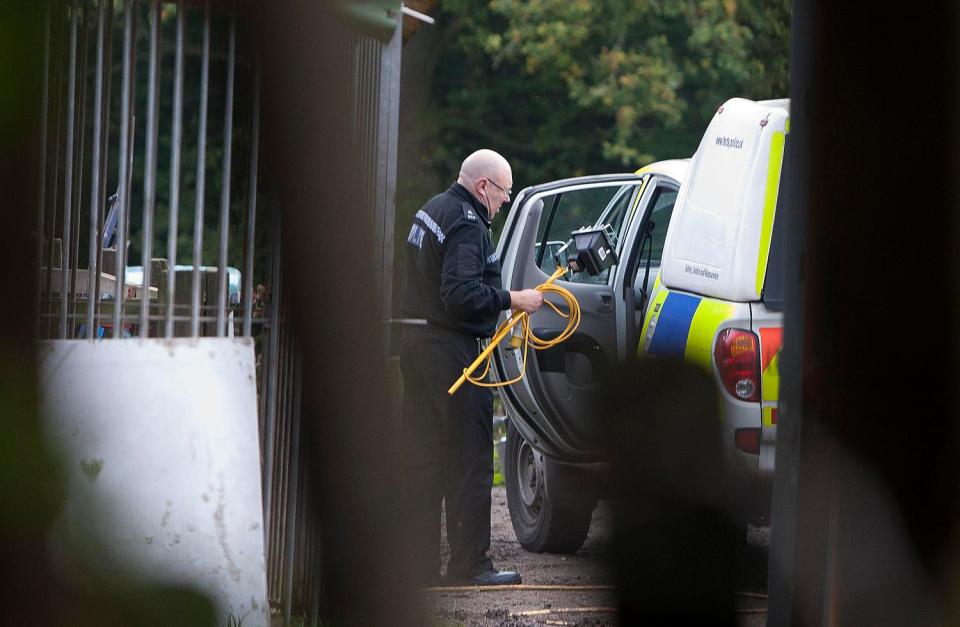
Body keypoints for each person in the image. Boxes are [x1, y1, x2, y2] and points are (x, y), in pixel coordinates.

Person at [400, 149, 543, 585]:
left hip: (417, 347)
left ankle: (419, 566)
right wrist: (512, 299)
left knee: (424, 459)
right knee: (469, 459)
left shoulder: (432, 209)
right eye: (503, 193)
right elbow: (460, 295)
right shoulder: (466, 223)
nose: (503, 203)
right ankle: (471, 566)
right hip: (452, 352)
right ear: (483, 186)